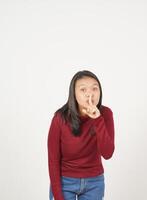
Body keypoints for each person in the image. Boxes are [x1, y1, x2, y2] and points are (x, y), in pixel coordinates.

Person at [47, 70, 115, 200]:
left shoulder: (105, 114)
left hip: (94, 182)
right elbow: (53, 160)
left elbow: (107, 153)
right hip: (65, 182)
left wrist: (97, 119)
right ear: (74, 93)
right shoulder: (60, 118)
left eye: (95, 88)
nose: (90, 94)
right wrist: (58, 196)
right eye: (83, 90)